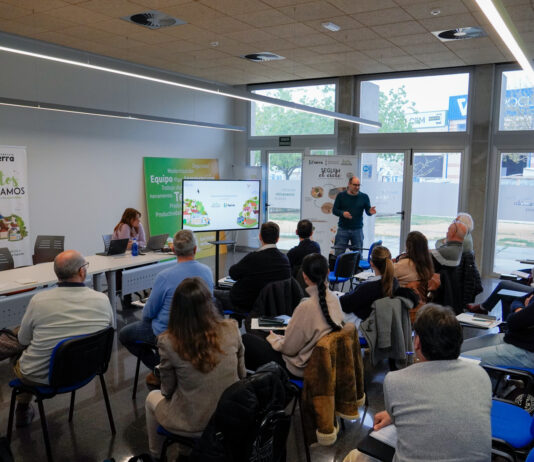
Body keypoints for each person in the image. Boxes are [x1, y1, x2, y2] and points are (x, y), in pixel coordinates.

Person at [344, 304, 492, 462]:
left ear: (417, 342)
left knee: (354, 456)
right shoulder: (481, 375)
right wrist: (395, 415)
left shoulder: (395, 380)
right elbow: (444, 401)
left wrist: (394, 415)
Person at [145, 277, 245, 459]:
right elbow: (242, 374)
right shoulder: (232, 328)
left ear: (176, 308)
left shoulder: (168, 342)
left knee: (152, 398)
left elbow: (167, 390)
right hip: (228, 417)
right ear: (209, 304)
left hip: (194, 423)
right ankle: (185, 450)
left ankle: (156, 456)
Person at [14, 250, 114, 427]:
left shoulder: (39, 301)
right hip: (88, 370)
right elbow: (109, 330)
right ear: (82, 272)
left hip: (43, 377)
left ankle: (23, 408)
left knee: (16, 352)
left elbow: (23, 341)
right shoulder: (102, 299)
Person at [119, 230, 213, 380]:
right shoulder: (207, 271)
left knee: (124, 334)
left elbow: (148, 314)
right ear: (195, 249)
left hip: (167, 333)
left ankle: (160, 370)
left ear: (173, 250)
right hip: (199, 329)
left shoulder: (164, 276)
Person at [242, 253, 344, 378]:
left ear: (304, 276)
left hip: (299, 367)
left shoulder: (306, 307)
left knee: (246, 340)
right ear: (328, 271)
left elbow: (289, 350)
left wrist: (274, 339)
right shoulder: (335, 299)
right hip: (321, 364)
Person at [222, 221, 291, 313]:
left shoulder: (253, 257)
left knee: (211, 295)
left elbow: (233, 274)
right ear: (278, 239)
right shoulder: (285, 260)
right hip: (273, 306)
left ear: (260, 237)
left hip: (246, 304)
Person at [462, 293, 534, 368]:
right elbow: (517, 300)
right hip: (514, 338)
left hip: (526, 350)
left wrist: (523, 308)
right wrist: (521, 309)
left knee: (459, 361)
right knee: (456, 349)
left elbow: (512, 322)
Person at [340, 245, 401, 323]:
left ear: (371, 263)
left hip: (364, 324)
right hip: (382, 323)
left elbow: (345, 305)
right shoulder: (394, 282)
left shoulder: (368, 288)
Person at [332, 176, 376, 255]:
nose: (357, 187)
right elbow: (334, 210)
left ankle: (357, 263)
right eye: (355, 185)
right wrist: (342, 213)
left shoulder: (364, 197)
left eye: (359, 185)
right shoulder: (341, 196)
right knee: (338, 254)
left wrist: (370, 212)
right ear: (349, 184)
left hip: (357, 230)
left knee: (358, 255)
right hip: (343, 229)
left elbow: (368, 211)